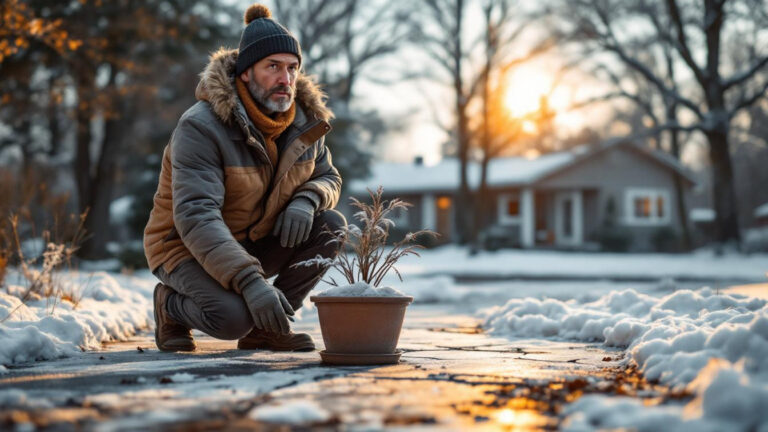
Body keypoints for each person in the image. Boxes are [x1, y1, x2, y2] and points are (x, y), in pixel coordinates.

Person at [143, 3, 345, 353]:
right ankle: (169, 305)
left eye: (292, 68)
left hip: (252, 239)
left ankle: (267, 330)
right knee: (232, 318)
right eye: (273, 67)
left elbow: (329, 177)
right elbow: (196, 216)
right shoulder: (201, 127)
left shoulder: (306, 124)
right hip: (184, 247)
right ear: (245, 73)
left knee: (330, 224)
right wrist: (252, 282)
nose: (286, 79)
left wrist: (307, 198)